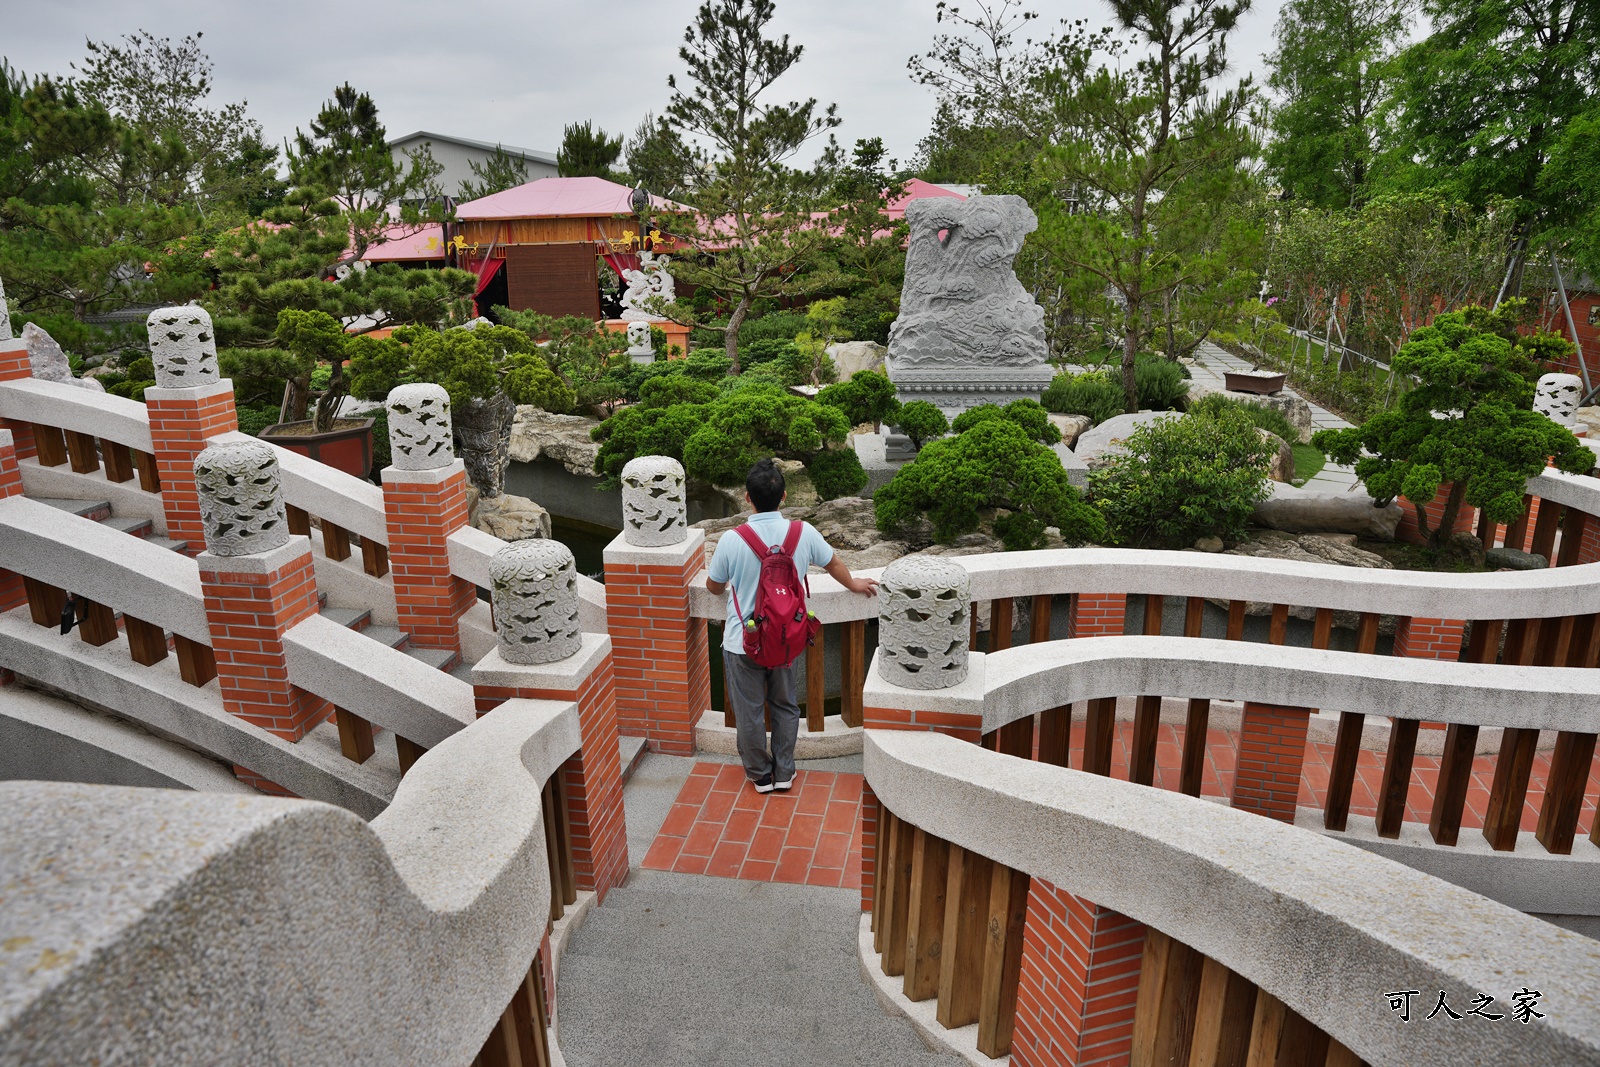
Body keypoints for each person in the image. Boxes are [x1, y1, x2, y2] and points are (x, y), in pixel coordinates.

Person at [706, 458, 878, 793]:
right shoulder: (803, 532)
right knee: (785, 706)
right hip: (785, 639)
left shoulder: (732, 539)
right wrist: (854, 584)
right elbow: (834, 562)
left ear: (747, 498)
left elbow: (714, 586)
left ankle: (761, 775)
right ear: (784, 497)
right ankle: (785, 771)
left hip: (743, 641)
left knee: (750, 712)